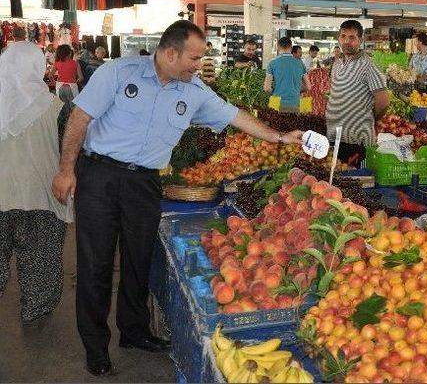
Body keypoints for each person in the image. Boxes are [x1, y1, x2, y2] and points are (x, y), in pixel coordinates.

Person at [50, 20, 303, 376]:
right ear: (171, 53)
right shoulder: (119, 73)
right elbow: (79, 118)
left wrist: (279, 137)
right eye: (195, 58)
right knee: (96, 265)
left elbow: (235, 117)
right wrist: (66, 170)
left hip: (146, 184)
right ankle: (96, 346)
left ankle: (134, 332)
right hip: (100, 176)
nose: (199, 65)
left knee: (139, 261)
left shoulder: (193, 90)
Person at [0, 41, 72, 324]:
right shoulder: (55, 106)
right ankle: (35, 308)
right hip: (42, 194)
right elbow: (69, 148)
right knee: (41, 257)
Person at [326, 20, 389, 166]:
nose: (347, 41)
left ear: (360, 40)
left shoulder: (368, 66)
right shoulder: (337, 64)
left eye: (352, 37)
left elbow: (383, 102)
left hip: (356, 141)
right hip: (334, 137)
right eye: (343, 36)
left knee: (353, 183)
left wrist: (370, 118)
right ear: (338, 38)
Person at [264, 37, 310, 113]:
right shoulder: (300, 63)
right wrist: (297, 90)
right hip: (295, 102)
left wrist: (275, 91)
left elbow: (266, 88)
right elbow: (308, 87)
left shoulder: (272, 63)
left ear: (278, 47)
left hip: (276, 102)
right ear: (291, 48)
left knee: (275, 124)